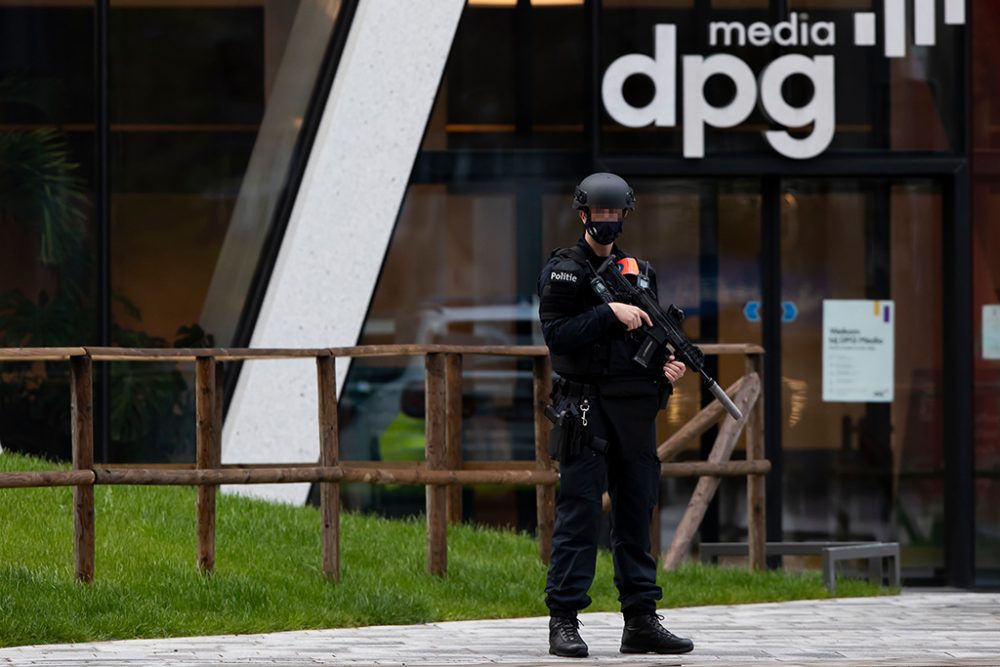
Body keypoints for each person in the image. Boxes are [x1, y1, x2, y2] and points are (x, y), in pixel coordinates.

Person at [537, 172, 694, 657]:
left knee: (635, 512)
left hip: (634, 409)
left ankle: (641, 619)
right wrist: (609, 315)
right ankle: (563, 620)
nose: (607, 222)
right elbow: (557, 335)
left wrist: (668, 366)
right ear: (583, 215)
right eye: (599, 214)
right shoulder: (564, 270)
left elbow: (645, 344)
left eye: (615, 214)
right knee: (580, 513)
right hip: (585, 408)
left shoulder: (639, 272)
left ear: (625, 215)